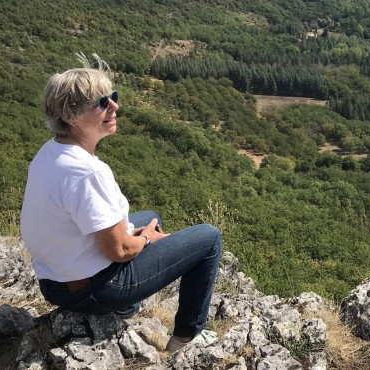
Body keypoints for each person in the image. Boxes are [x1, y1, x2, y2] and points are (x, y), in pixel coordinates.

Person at [20, 55, 222, 353]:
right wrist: (147, 240)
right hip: (94, 290)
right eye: (101, 102)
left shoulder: (50, 152)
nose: (114, 106)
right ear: (70, 116)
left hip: (54, 282)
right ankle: (185, 339)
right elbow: (120, 250)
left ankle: (124, 309)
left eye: (112, 97)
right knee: (208, 238)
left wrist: (138, 235)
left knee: (150, 215)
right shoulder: (87, 172)